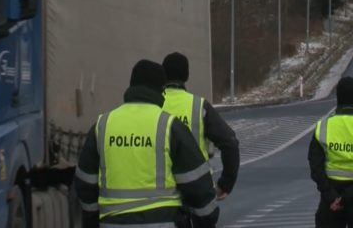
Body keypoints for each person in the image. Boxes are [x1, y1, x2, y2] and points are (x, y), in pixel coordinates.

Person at [74, 59, 219, 228]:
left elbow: (85, 181)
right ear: (162, 90)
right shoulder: (170, 126)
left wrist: (92, 219)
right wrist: (207, 220)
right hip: (163, 222)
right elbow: (197, 185)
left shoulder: (103, 124)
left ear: (131, 86)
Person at [162, 52, 240, 204]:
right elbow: (230, 143)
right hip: (197, 190)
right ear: (186, 75)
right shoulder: (198, 106)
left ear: (163, 75)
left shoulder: (154, 104)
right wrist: (226, 184)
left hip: (160, 193)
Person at [308, 77, 353, 228]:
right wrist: (348, 197)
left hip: (330, 203)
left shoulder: (323, 127)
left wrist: (332, 197)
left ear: (338, 99)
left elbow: (316, 168)